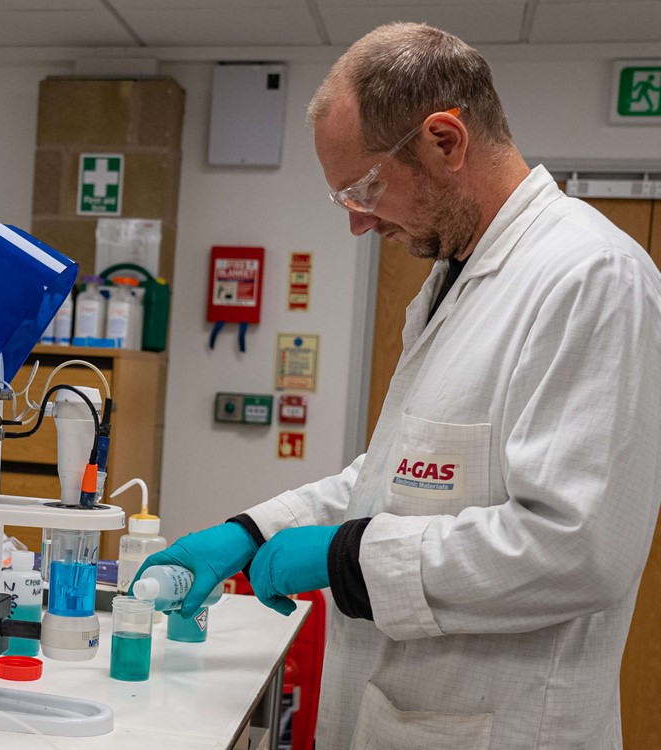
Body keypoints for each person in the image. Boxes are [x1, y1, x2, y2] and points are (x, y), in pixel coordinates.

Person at [138, 22, 661, 750]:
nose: (356, 222)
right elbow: (397, 480)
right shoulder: (453, 282)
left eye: (364, 187)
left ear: (446, 140)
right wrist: (253, 530)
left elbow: (576, 547)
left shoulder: (591, 277)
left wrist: (346, 560)